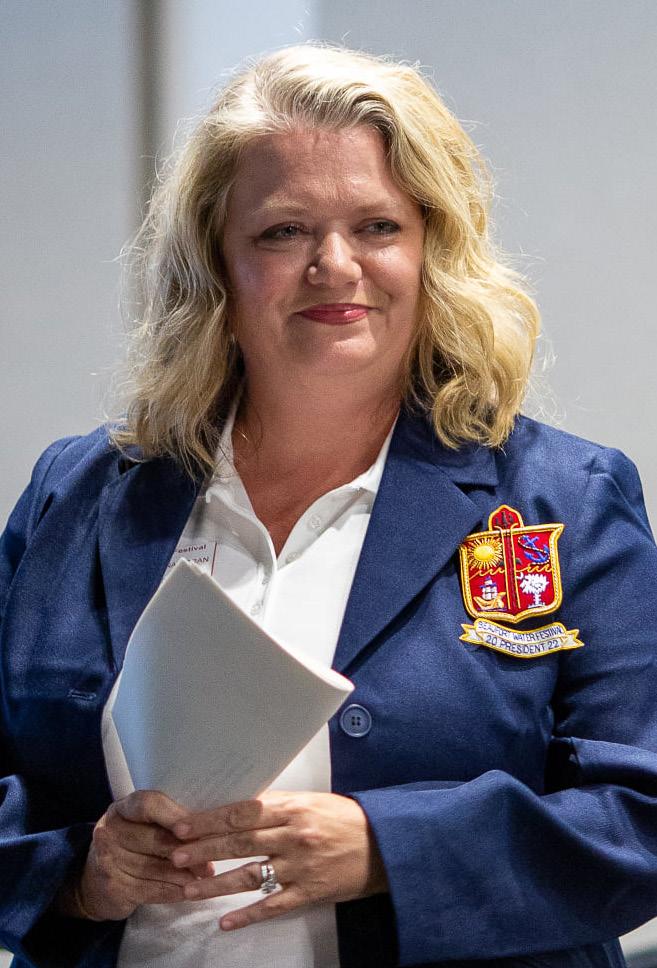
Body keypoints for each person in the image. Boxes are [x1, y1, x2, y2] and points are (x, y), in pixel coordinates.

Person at [1, 42, 657, 968]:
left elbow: (638, 819)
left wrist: (388, 850)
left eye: (377, 226)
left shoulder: (566, 500)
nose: (334, 265)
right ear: (216, 262)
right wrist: (80, 873)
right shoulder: (73, 495)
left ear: (433, 250)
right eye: (282, 232)